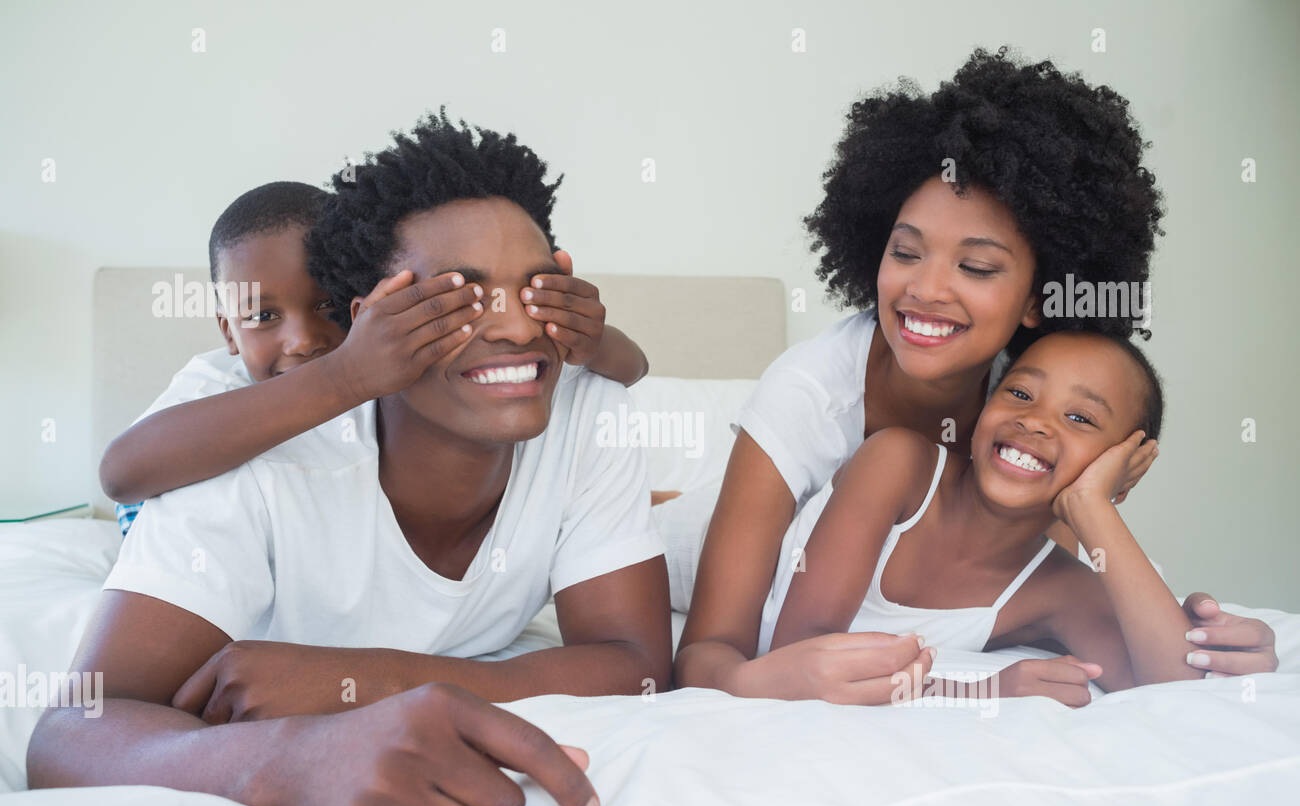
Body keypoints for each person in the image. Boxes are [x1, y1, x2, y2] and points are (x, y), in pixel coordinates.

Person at [27, 110, 671, 806]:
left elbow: (639, 665)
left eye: (534, 290)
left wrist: (369, 679)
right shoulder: (243, 438)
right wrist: (279, 760)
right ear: (372, 324)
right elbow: (68, 733)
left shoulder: (590, 408)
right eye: (458, 295)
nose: (518, 328)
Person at [674, 47, 1277, 699]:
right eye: (905, 252)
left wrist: (1215, 646)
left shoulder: (1023, 410)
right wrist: (981, 693)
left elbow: (1118, 636)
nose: (926, 289)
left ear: (1037, 299)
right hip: (686, 541)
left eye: (978, 268)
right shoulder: (811, 396)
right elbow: (713, 657)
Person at [102, 180, 649, 531]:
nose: (303, 340)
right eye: (263, 317)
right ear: (227, 331)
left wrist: (589, 337)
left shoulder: (403, 394)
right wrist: (342, 377)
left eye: (329, 307)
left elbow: (634, 369)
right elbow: (121, 474)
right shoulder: (216, 385)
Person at [743, 331, 1242, 706]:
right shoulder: (897, 464)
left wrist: (1094, 505)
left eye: (1080, 418)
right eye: (1021, 394)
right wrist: (980, 691)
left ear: (1121, 473)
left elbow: (1179, 689)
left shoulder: (1059, 588)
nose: (1035, 421)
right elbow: (803, 657)